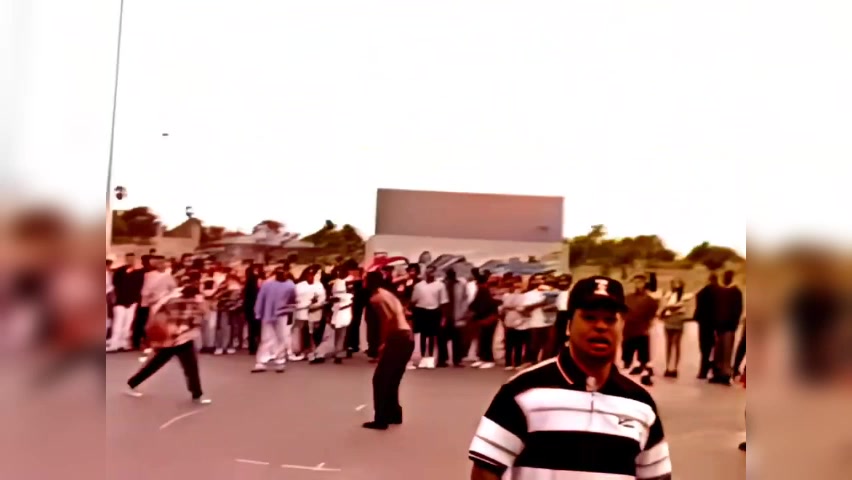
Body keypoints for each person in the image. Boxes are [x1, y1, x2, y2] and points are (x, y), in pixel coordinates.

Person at [468, 276, 672, 480]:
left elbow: (657, 477)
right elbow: (485, 471)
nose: (601, 326)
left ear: (622, 327)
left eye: (610, 319)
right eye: (589, 317)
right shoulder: (522, 392)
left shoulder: (640, 403)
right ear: (568, 325)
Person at [126, 274, 212, 404]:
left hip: (177, 339)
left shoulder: (178, 302)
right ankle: (197, 394)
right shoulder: (184, 303)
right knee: (185, 368)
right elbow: (205, 316)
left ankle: (197, 394)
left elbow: (202, 316)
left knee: (183, 367)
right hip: (176, 339)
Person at [362, 271, 415, 430]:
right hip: (406, 336)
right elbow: (405, 313)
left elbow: (387, 320)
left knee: (380, 380)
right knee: (393, 379)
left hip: (397, 337)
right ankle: (394, 414)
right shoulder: (388, 294)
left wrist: (383, 342)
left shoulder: (376, 298)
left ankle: (381, 419)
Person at [251, 266, 296, 373]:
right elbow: (261, 298)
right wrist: (258, 312)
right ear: (276, 274)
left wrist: (290, 313)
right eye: (279, 273)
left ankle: (280, 361)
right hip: (268, 314)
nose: (282, 275)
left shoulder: (290, 285)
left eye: (283, 273)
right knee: (266, 338)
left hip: (283, 315)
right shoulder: (267, 284)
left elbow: (293, 301)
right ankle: (260, 362)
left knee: (283, 338)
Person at [622, 274, 659, 386]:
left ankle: (644, 373)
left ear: (644, 283)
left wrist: (648, 327)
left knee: (643, 357)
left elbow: (652, 316)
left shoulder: (650, 300)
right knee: (627, 356)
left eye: (640, 282)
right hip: (628, 330)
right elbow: (622, 313)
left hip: (642, 331)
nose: (638, 284)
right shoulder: (628, 298)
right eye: (636, 282)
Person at [410, 266, 448, 369]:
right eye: (428, 272)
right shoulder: (419, 286)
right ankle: (422, 357)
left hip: (434, 311)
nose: (429, 274)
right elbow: (413, 300)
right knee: (422, 335)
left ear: (434, 273)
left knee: (432, 336)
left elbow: (444, 302)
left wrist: (444, 317)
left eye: (432, 272)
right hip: (421, 310)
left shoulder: (440, 285)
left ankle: (430, 358)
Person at [710, 270, 744, 385]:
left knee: (727, 351)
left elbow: (738, 310)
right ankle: (717, 373)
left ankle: (725, 374)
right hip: (719, 325)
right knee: (718, 351)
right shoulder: (720, 291)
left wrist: (734, 324)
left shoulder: (736, 292)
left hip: (729, 326)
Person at [108, 253, 145, 352]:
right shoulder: (119, 271)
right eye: (128, 259)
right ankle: (114, 344)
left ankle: (124, 343)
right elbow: (115, 285)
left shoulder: (139, 273)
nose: (130, 261)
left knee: (128, 323)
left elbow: (140, 286)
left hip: (133, 301)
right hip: (120, 301)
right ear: (126, 259)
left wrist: (136, 299)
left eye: (132, 259)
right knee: (118, 322)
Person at [659, 278, 694, 378]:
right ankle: (668, 366)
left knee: (675, 344)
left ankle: (674, 367)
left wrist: (669, 308)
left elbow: (683, 308)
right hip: (669, 322)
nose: (676, 286)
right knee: (669, 345)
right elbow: (665, 306)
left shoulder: (684, 296)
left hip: (677, 322)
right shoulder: (669, 295)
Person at [437, 268, 471, 368]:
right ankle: (442, 360)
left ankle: (457, 360)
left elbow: (465, 299)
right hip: (443, 315)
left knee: (457, 339)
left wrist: (463, 313)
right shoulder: (440, 284)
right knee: (441, 339)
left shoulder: (461, 284)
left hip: (457, 315)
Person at [693, 273, 719, 379]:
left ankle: (703, 370)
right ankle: (713, 368)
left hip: (704, 323)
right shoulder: (719, 291)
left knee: (704, 348)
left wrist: (697, 317)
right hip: (715, 323)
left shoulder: (703, 292)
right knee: (715, 348)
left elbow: (698, 300)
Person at [500, 276, 528, 370]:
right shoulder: (507, 296)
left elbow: (523, 308)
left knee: (518, 344)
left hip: (520, 322)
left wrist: (514, 307)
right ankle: (508, 363)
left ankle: (517, 363)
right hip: (509, 322)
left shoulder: (524, 296)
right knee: (509, 344)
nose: (516, 288)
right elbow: (504, 308)